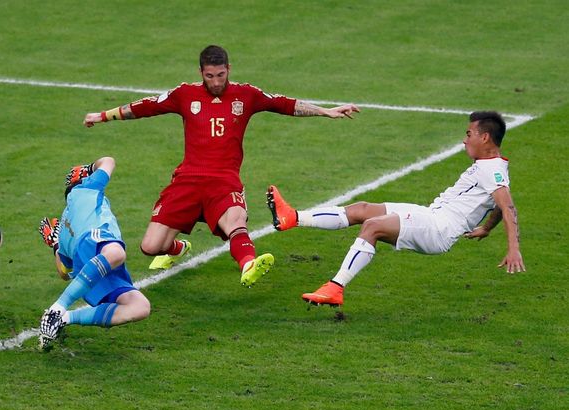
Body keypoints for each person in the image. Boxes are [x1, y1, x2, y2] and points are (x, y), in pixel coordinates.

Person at [83, 45, 360, 288]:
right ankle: (178, 249)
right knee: (150, 247)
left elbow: (285, 103)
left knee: (236, 222)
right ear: (201, 72)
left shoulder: (246, 95)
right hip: (187, 180)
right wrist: (103, 115)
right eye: (209, 76)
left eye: (221, 75)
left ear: (228, 69)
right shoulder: (184, 94)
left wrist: (325, 110)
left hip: (224, 180)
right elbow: (144, 107)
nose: (215, 82)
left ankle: (249, 264)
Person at [267, 111, 525, 307]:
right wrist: (487, 229)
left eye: (468, 134)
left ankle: (335, 287)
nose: (464, 140)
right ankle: (293, 218)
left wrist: (513, 248)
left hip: (438, 229)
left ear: (484, 137)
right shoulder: (494, 168)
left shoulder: (491, 169)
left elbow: (508, 206)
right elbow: (501, 205)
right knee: (363, 210)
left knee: (373, 226)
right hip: (431, 215)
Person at [37, 156, 151, 350]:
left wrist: (55, 245)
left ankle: (65, 319)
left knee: (140, 307)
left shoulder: (63, 233)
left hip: (92, 268)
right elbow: (109, 161)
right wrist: (88, 168)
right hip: (96, 242)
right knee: (116, 253)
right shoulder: (85, 188)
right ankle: (57, 309)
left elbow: (64, 271)